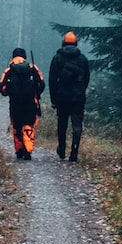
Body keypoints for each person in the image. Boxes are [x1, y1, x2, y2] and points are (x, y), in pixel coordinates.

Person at [48, 30, 91, 161]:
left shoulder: (57, 58)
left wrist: (53, 99)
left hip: (62, 97)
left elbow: (52, 80)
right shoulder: (82, 59)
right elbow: (86, 78)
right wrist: (81, 90)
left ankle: (61, 150)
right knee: (77, 126)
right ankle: (74, 153)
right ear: (76, 43)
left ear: (63, 43)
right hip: (78, 97)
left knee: (62, 124)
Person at [0, 47, 45, 160]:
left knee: (17, 125)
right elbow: (41, 84)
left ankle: (19, 150)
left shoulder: (9, 70)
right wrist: (36, 93)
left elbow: (1, 86)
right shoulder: (32, 68)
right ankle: (28, 149)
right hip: (30, 102)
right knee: (28, 124)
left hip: (15, 102)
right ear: (25, 57)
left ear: (13, 57)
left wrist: (8, 92)